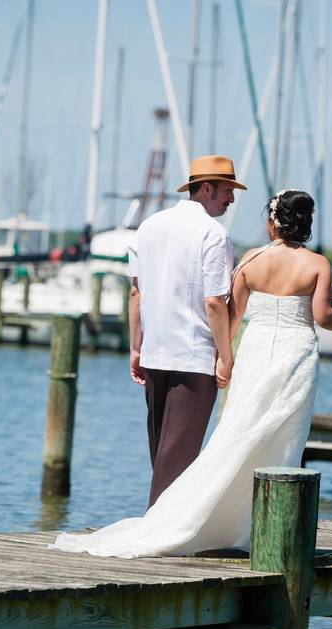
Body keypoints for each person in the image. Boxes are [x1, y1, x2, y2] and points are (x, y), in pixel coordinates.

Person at [50, 189, 332, 558]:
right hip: (295, 354)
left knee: (237, 430)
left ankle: (209, 516)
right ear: (306, 223)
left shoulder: (250, 260)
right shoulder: (317, 265)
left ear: (272, 221)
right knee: (285, 434)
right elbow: (324, 317)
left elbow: (230, 317)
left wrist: (222, 358)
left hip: (257, 352)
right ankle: (263, 526)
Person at [126, 155, 246, 508]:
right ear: (207, 188)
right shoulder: (214, 234)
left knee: (161, 456)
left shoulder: (148, 226)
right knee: (177, 460)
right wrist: (226, 356)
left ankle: (157, 526)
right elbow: (214, 302)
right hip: (193, 357)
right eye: (227, 190)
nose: (231, 199)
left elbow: (136, 293)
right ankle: (157, 532)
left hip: (155, 353)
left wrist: (135, 348)